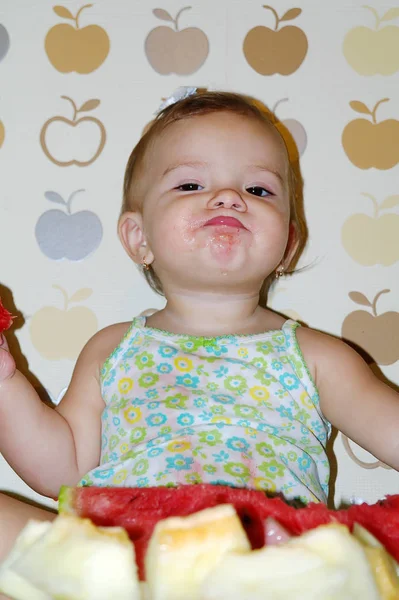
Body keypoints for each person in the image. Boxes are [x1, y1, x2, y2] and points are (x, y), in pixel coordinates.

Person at [0, 88, 398, 566]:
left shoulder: (318, 357)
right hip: (120, 559)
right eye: (190, 185)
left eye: (259, 190)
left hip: (270, 561)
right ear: (139, 237)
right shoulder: (113, 348)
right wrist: (6, 381)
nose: (228, 197)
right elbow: (61, 466)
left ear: (288, 244)